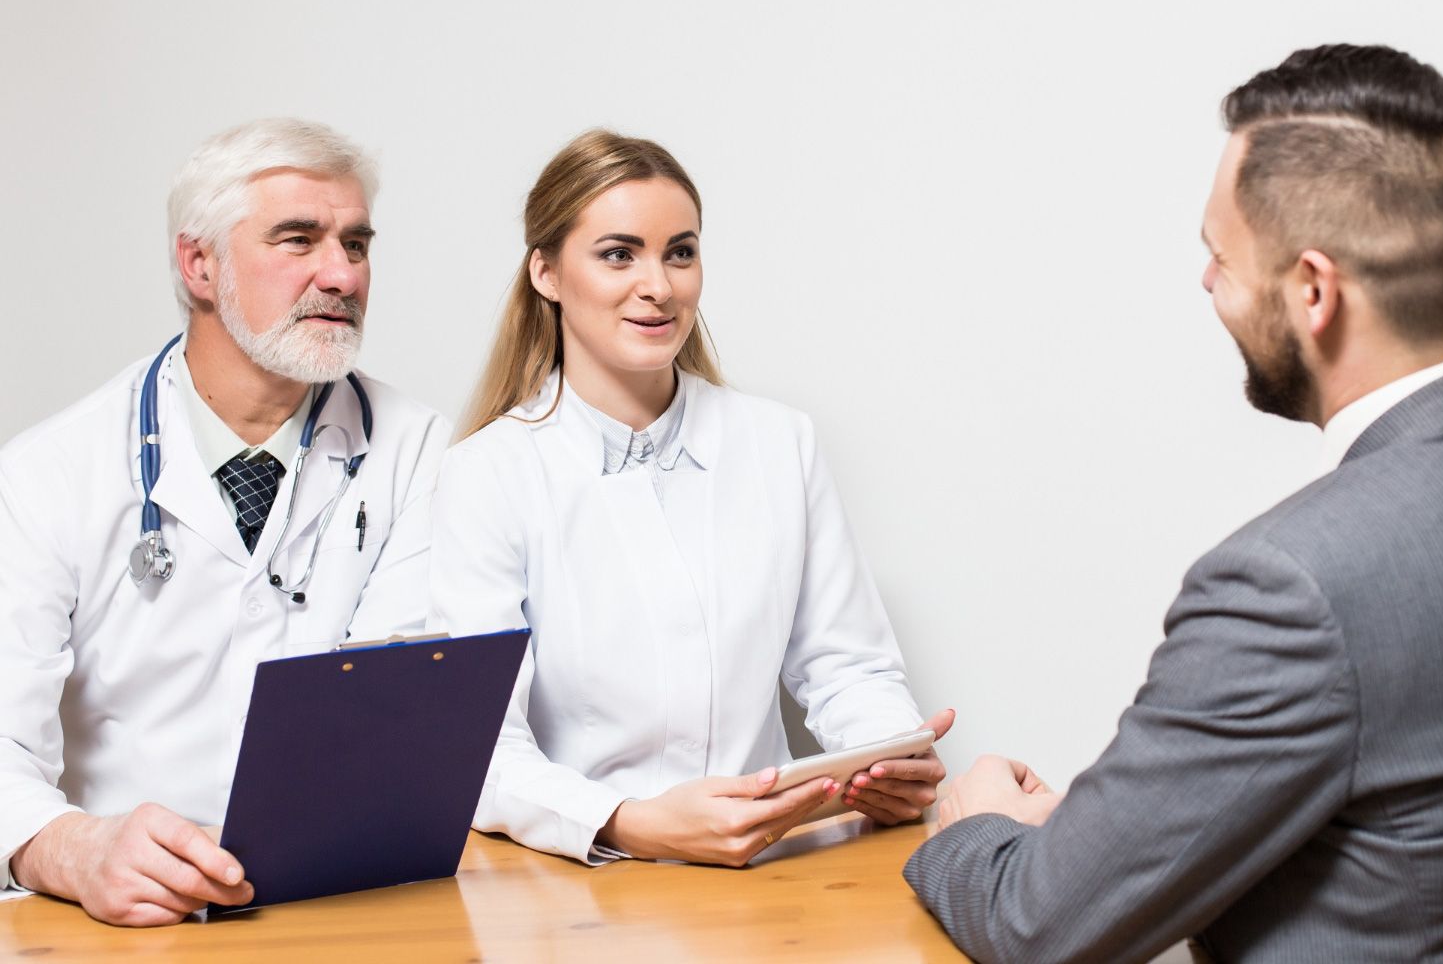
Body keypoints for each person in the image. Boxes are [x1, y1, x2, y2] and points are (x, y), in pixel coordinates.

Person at [905, 43, 1443, 963]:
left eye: (1220, 256)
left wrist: (971, 827)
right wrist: (1136, 826)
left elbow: (1039, 927)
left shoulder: (1292, 589)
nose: (1206, 283)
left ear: (1313, 290)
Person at [429, 129, 952, 867]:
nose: (660, 285)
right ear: (545, 272)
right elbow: (480, 749)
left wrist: (886, 760)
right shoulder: (487, 474)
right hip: (579, 888)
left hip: (777, 876)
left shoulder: (779, 442)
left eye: (681, 251)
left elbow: (848, 667)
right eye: (619, 254)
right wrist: (628, 822)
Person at [0, 118, 450, 926]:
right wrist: (73, 849)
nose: (341, 274)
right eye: (298, 239)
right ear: (199, 264)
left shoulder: (415, 449)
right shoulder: (45, 474)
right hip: (120, 923)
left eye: (356, 243)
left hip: (337, 905)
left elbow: (398, 714)